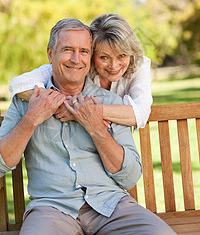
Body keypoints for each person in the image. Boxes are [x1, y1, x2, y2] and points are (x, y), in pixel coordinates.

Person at [0, 18, 175, 235]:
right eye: (67, 49)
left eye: (83, 51)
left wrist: (96, 128)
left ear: (90, 58)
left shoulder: (110, 103)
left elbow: (129, 177)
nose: (76, 59)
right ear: (50, 53)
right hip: (51, 210)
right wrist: (30, 120)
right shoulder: (28, 101)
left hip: (111, 206)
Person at [9, 14, 153, 129]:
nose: (114, 65)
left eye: (121, 55)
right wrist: (67, 106)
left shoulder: (140, 64)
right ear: (91, 54)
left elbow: (141, 114)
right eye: (104, 57)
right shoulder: (78, 66)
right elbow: (20, 84)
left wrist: (83, 111)